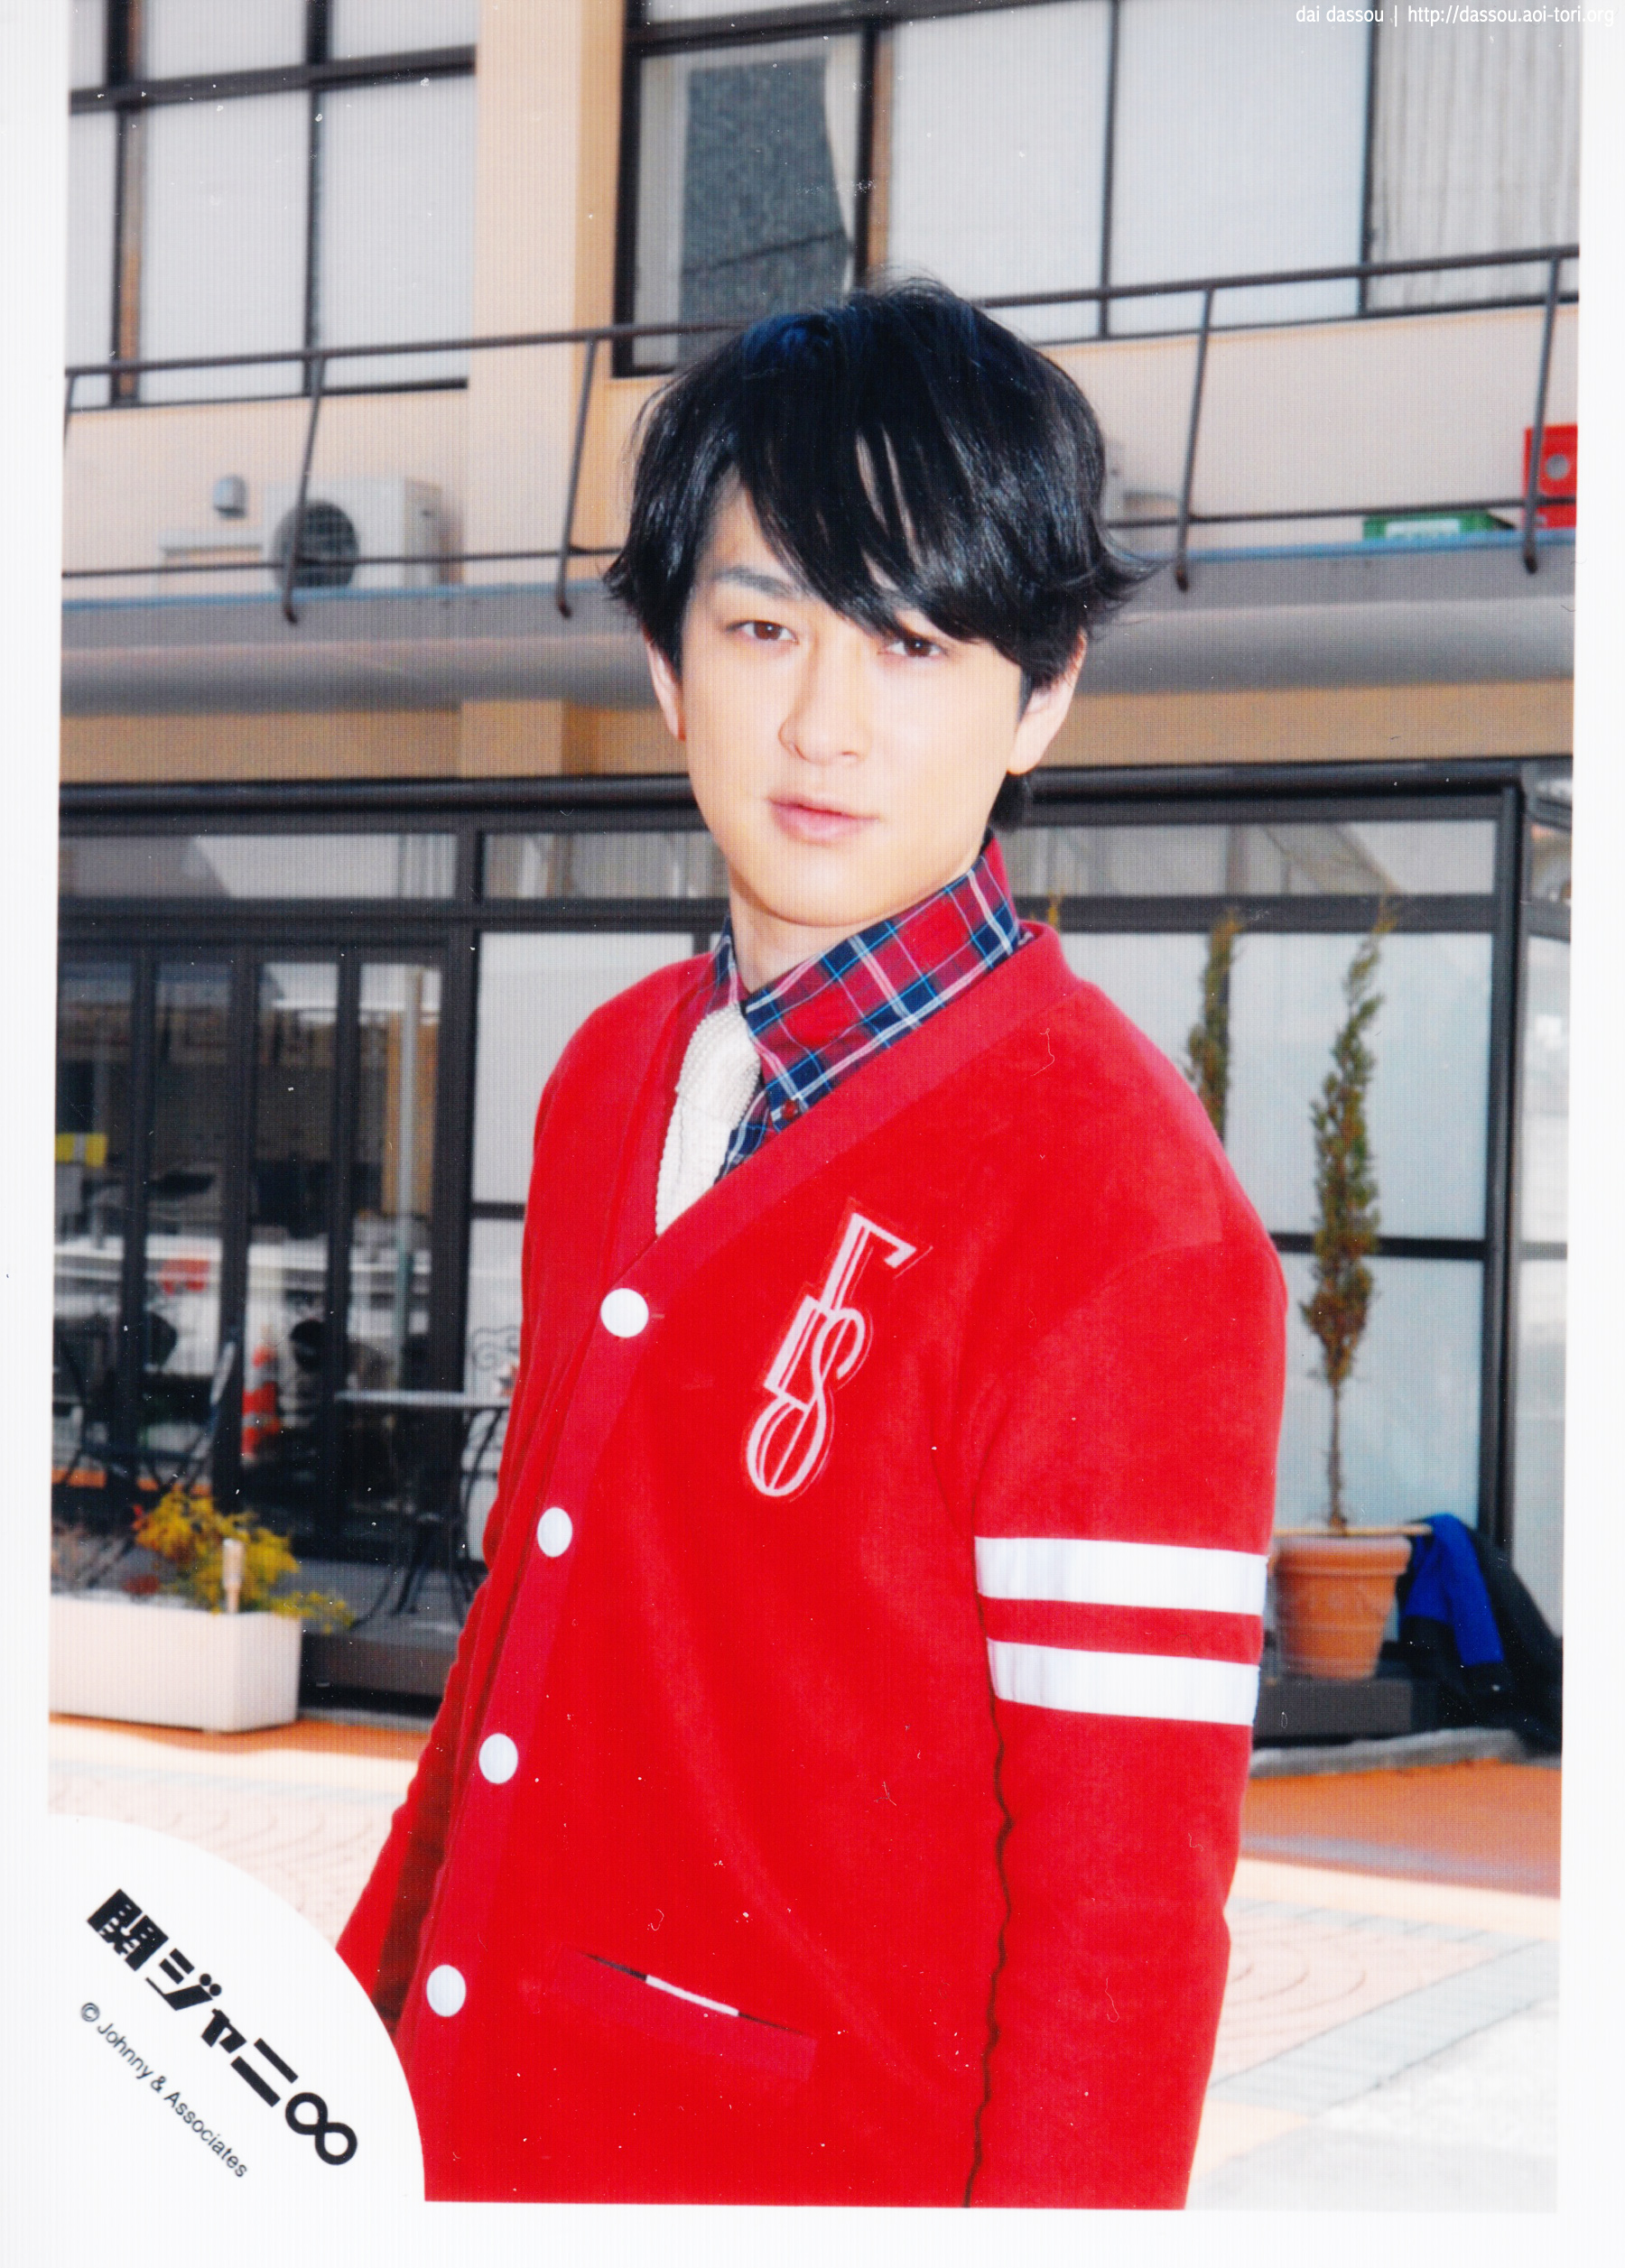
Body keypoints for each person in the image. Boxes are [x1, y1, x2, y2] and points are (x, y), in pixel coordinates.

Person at [338, 282, 1286, 2208]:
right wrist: (347, 2052)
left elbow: (1125, 1919)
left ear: (1044, 694)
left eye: (914, 642)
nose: (826, 723)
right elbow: (520, 1652)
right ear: (669, 664)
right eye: (764, 625)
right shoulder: (611, 1078)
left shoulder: (1128, 1209)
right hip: (465, 2141)